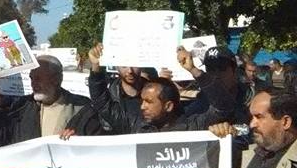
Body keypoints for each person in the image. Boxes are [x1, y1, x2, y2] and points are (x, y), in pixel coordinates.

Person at [88, 44, 235, 133]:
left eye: (149, 101)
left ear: (168, 106)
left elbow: (223, 107)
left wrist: (194, 70)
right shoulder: (135, 126)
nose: (142, 106)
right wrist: (95, 67)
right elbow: (102, 104)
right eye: (142, 101)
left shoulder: (192, 126)